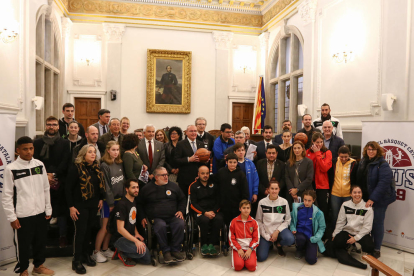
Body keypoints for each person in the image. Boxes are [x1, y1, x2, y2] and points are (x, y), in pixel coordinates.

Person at [2, 136, 54, 276]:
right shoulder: (11, 169)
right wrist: (12, 217)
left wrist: (48, 208)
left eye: (31, 148)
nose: (29, 152)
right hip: (22, 214)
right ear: (18, 150)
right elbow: (7, 196)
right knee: (23, 244)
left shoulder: (39, 165)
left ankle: (38, 266)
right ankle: (23, 269)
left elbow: (45, 188)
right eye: (25, 149)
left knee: (40, 241)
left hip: (40, 212)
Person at [66, 145, 106, 274]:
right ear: (83, 154)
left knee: (89, 231)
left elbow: (99, 185)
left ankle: (85, 255)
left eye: (94, 152)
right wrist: (71, 207)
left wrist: (100, 198)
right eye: (90, 152)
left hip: (93, 204)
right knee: (81, 231)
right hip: (79, 205)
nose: (93, 154)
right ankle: (76, 260)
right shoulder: (75, 168)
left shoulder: (96, 167)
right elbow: (68, 189)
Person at [34, 116, 70, 247]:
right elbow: (36, 162)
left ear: (58, 126)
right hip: (41, 181)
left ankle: (62, 236)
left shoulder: (65, 143)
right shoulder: (37, 143)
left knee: (61, 210)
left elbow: (65, 162)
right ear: (45, 126)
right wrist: (46, 177)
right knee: (42, 210)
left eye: (54, 124)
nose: (51, 127)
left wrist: (54, 175)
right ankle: (41, 238)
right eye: (49, 124)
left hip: (59, 181)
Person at [356, 141, 396, 258]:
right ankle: (368, 246)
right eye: (369, 149)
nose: (371, 151)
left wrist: (372, 199)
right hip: (365, 198)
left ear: (377, 151)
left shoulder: (382, 164)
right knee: (366, 223)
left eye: (373, 149)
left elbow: (383, 184)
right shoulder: (363, 161)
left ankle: (377, 249)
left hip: (379, 200)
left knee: (377, 223)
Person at [138, 167, 187, 263]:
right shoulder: (147, 189)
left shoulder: (174, 186)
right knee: (160, 226)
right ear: (156, 177)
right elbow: (139, 204)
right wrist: (142, 217)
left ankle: (175, 249)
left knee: (180, 223)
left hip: (173, 216)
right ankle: (165, 251)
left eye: (167, 175)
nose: (166, 177)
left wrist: (181, 210)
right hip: (156, 218)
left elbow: (182, 199)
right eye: (163, 175)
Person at [92, 141, 125, 263]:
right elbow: (106, 185)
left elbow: (122, 182)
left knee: (112, 226)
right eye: (113, 150)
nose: (116, 152)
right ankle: (96, 251)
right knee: (104, 227)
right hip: (108, 201)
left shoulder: (120, 163)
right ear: (108, 151)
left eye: (117, 150)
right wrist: (110, 203)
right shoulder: (104, 165)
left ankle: (105, 249)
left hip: (119, 200)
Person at [332, 186, 374, 269]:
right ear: (351, 194)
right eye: (354, 192)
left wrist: (355, 238)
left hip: (361, 233)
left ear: (362, 194)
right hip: (348, 231)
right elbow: (340, 222)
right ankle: (350, 246)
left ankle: (356, 245)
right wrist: (335, 234)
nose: (357, 194)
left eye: (359, 192)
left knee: (369, 246)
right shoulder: (345, 205)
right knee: (336, 241)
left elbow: (367, 227)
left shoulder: (368, 208)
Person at [113, 179, 151, 266]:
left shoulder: (133, 201)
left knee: (147, 260)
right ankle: (121, 252)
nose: (136, 190)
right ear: (127, 189)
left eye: (137, 187)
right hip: (120, 239)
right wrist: (136, 241)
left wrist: (137, 234)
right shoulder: (122, 204)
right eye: (133, 187)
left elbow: (132, 220)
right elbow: (120, 229)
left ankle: (128, 251)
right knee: (142, 252)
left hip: (131, 236)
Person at [256, 181, 294, 261]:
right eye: (272, 188)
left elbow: (287, 220)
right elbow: (258, 221)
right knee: (261, 257)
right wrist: (266, 235)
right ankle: (269, 243)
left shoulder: (284, 202)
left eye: (276, 189)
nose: (274, 191)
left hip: (279, 230)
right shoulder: (262, 202)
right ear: (268, 190)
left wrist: (277, 231)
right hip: (266, 231)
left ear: (279, 190)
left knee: (290, 239)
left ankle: (278, 244)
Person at [189, 166, 223, 255]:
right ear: (198, 174)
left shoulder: (214, 184)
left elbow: (219, 201)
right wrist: (205, 213)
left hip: (213, 210)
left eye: (207, 173)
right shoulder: (193, 186)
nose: (205, 175)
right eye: (203, 173)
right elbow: (193, 204)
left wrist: (214, 212)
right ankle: (204, 245)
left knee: (219, 219)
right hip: (200, 211)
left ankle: (212, 244)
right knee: (204, 220)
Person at [290, 190, 326, 264]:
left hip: (311, 236)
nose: (306, 202)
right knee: (300, 238)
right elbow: (292, 221)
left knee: (311, 260)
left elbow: (322, 228)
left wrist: (316, 238)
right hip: (299, 233)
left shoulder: (319, 213)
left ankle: (308, 248)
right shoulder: (297, 209)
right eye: (305, 200)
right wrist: (293, 228)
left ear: (313, 200)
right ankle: (299, 249)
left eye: (309, 200)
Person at [216, 153, 250, 229]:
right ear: (226, 162)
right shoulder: (221, 172)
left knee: (235, 226)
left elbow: (245, 191)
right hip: (223, 205)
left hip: (236, 206)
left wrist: (243, 205)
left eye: (234, 162)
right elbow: (214, 184)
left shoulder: (241, 174)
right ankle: (226, 240)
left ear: (237, 163)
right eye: (230, 162)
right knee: (225, 225)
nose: (232, 164)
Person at [175, 125, 208, 195]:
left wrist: (205, 160)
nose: (193, 133)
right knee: (185, 199)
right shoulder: (180, 144)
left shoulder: (201, 143)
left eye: (195, 131)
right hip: (185, 178)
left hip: (199, 177)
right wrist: (189, 159)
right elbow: (176, 160)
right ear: (186, 132)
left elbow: (202, 162)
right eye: (191, 131)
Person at [306, 132, 332, 218]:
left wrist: (317, 153)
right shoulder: (307, 152)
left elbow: (324, 168)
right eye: (317, 142)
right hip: (310, 184)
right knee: (311, 208)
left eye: (321, 142)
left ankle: (322, 229)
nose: (319, 144)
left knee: (322, 208)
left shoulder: (327, 152)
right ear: (312, 142)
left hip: (322, 185)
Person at [229, 200, 259, 272]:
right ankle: (241, 260)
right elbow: (231, 238)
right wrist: (239, 249)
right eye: (244, 208)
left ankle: (247, 260)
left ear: (250, 209)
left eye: (248, 208)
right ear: (240, 209)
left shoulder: (254, 222)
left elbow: (256, 239)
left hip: (249, 248)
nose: (246, 210)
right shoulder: (234, 221)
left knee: (252, 267)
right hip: (238, 248)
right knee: (238, 267)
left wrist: (250, 249)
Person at [331, 146, 357, 225]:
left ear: (349, 155)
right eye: (341, 157)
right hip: (335, 194)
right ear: (338, 154)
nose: (344, 159)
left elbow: (355, 179)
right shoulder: (334, 161)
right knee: (335, 216)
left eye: (346, 157)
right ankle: (335, 235)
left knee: (347, 217)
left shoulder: (354, 163)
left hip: (348, 194)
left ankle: (345, 235)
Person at [285, 141, 314, 209]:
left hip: (304, 192)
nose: (296, 150)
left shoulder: (308, 162)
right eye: (294, 148)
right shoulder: (289, 162)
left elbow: (309, 178)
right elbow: (286, 177)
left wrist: (297, 189)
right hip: (291, 193)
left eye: (298, 148)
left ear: (303, 149)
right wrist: (292, 191)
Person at [233, 142, 259, 216]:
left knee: (247, 213)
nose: (241, 152)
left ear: (245, 151)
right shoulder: (231, 163)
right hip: (235, 194)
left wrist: (255, 193)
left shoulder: (250, 163)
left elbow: (255, 179)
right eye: (238, 150)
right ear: (235, 152)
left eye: (242, 150)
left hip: (248, 192)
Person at [322, 120, 345, 186]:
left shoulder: (339, 141)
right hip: (320, 169)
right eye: (325, 127)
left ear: (332, 128)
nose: (327, 129)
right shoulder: (317, 140)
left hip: (334, 169)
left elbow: (343, 155)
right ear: (322, 128)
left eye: (329, 127)